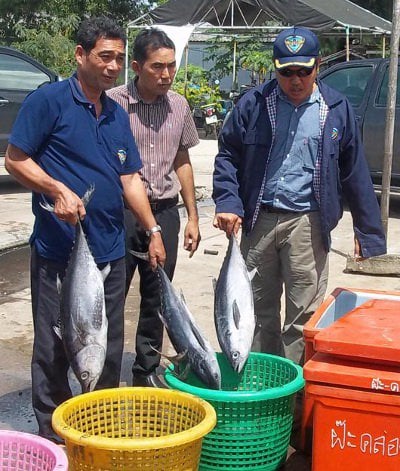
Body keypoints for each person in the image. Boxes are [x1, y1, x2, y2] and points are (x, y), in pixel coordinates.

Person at [5, 16, 165, 443]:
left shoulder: (115, 113)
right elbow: (15, 159)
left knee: (106, 342)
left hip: (109, 248)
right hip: (60, 249)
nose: (113, 66)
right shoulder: (49, 101)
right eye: (104, 56)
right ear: (81, 55)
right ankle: (52, 432)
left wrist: (152, 229)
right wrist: (56, 187)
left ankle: (100, 419)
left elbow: (130, 177)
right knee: (55, 345)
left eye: (118, 58)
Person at [212, 26, 386, 366]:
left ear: (317, 66)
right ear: (276, 69)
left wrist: (368, 234)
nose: (295, 80)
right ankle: (259, 383)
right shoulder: (255, 104)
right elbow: (227, 155)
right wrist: (228, 201)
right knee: (255, 312)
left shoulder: (335, 109)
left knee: (302, 316)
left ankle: (292, 397)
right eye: (287, 72)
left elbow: (355, 172)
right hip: (258, 220)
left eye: (303, 71)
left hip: (308, 224)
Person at [107, 28, 200, 387]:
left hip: (165, 211)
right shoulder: (113, 102)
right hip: (121, 214)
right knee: (112, 293)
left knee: (157, 298)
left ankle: (145, 371)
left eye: (171, 66)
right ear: (136, 66)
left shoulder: (178, 105)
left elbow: (183, 159)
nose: (166, 75)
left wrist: (192, 216)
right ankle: (104, 373)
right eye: (157, 67)